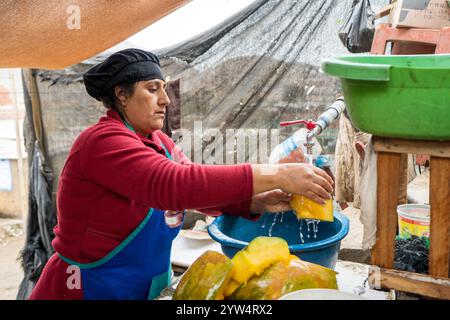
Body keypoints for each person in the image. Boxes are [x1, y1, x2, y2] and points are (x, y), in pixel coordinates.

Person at [29, 48, 333, 300]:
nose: (166, 99)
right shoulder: (101, 143)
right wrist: (277, 174)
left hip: (145, 288)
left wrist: (256, 202)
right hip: (85, 289)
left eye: (164, 88)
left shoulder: (159, 143)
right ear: (121, 95)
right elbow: (173, 184)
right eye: (152, 89)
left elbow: (195, 188)